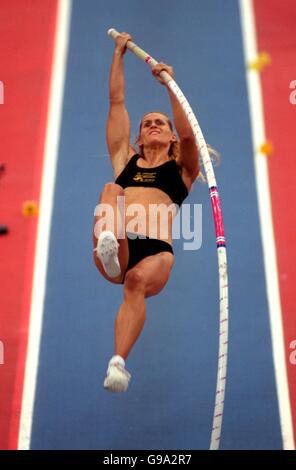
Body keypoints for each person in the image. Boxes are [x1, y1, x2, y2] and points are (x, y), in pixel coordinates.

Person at [93, 32, 199, 392]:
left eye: (160, 123)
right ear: (138, 138)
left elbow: (188, 136)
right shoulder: (125, 160)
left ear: (169, 137)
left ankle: (118, 364)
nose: (153, 124)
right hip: (118, 241)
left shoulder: (183, 169)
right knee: (111, 189)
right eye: (147, 123)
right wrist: (118, 54)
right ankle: (109, 246)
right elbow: (116, 101)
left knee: (135, 283)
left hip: (155, 252)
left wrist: (170, 87)